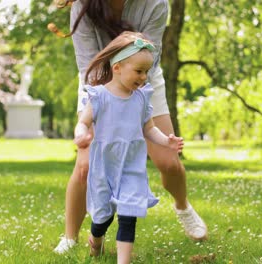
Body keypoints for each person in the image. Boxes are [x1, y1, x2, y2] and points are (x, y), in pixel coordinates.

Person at [52, 0, 208, 253]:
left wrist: (129, 95)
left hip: (141, 77)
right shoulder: (82, 6)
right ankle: (70, 237)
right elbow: (86, 64)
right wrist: (108, 100)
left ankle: (182, 205)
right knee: (85, 166)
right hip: (98, 80)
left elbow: (150, 57)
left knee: (168, 161)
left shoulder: (155, 4)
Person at [73, 32, 184, 263]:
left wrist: (167, 141)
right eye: (139, 71)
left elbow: (149, 129)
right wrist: (81, 135)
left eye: (147, 72)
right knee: (103, 217)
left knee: (128, 214)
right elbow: (82, 122)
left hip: (132, 166)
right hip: (104, 165)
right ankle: (96, 238)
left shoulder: (142, 98)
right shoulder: (100, 96)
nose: (144, 77)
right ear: (118, 67)